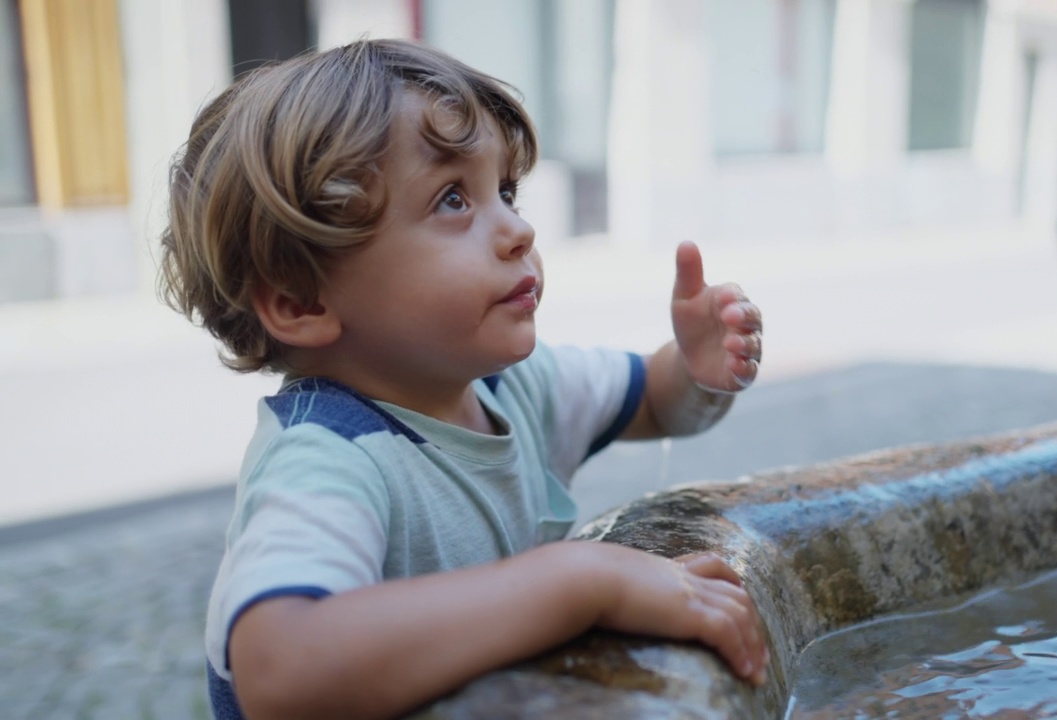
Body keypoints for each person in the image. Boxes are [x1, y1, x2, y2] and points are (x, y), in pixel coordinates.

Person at [160, 38, 767, 720]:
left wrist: (697, 371)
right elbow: (281, 671)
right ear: (304, 301)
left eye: (504, 190)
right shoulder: (327, 458)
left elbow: (657, 402)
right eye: (453, 199)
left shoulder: (513, 386)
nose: (518, 229)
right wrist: (578, 580)